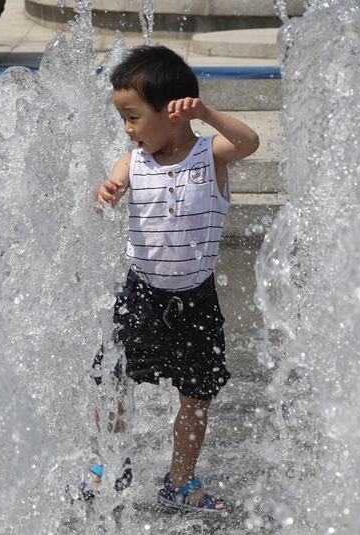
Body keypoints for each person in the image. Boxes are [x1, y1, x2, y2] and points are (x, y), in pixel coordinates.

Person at [91, 44, 259, 513]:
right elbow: (114, 180)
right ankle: (109, 463)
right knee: (111, 378)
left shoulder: (211, 156)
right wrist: (108, 187)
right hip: (141, 293)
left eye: (133, 117)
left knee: (196, 394)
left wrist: (205, 112)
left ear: (173, 113)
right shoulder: (133, 161)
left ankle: (180, 482)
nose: (127, 128)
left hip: (195, 299)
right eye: (123, 118)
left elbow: (249, 142)